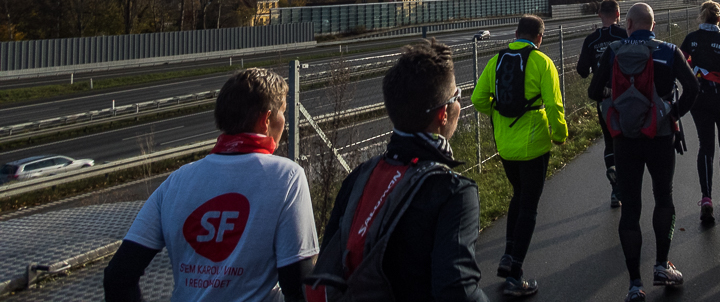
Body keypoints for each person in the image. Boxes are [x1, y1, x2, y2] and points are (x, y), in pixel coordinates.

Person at [103, 67, 319, 302]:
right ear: (265, 120)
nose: (284, 123)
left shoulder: (176, 181)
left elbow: (118, 276)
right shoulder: (286, 177)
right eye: (283, 113)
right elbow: (298, 284)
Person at [318, 39, 489, 302]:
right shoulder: (454, 193)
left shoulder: (358, 178)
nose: (459, 102)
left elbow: (327, 270)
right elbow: (458, 292)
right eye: (457, 96)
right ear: (443, 114)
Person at [588, 2, 700, 302]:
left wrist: (614, 101)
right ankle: (662, 266)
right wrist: (674, 114)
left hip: (624, 139)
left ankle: (635, 284)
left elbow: (592, 92)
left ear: (628, 24)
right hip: (660, 134)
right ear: (653, 25)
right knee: (664, 197)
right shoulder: (668, 51)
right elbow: (692, 89)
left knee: (631, 207)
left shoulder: (613, 51)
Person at [471, 15, 567, 298]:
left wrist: (500, 114)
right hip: (534, 145)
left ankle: (507, 253)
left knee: (518, 195)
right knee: (529, 206)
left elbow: (478, 99)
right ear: (539, 37)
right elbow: (553, 103)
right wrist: (560, 134)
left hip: (505, 145)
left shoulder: (496, 60)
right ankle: (515, 274)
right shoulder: (542, 62)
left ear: (516, 34)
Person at [681, 0, 720, 222]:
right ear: (719, 18)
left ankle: (706, 197)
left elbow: (680, 64)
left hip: (699, 99)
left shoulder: (691, 39)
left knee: (705, 146)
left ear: (701, 16)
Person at [576, 0, 628, 207]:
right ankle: (626, 182)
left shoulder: (591, 39)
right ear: (618, 14)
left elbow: (581, 71)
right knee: (626, 138)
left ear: (599, 15)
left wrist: (594, 68)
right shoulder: (624, 35)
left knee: (609, 140)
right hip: (625, 95)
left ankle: (615, 188)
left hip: (603, 97)